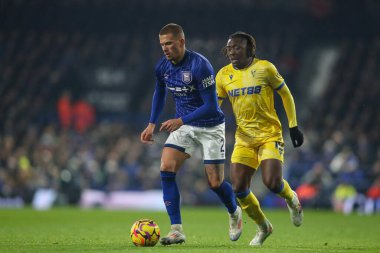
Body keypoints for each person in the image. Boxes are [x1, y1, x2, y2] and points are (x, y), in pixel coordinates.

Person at [140, 23, 242, 246]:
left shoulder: (200, 65)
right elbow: (159, 92)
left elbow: (212, 107)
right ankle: (176, 230)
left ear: (181, 42)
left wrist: (180, 120)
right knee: (166, 167)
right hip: (185, 126)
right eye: (162, 44)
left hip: (210, 126)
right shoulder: (162, 67)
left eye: (168, 43)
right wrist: (151, 123)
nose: (165, 48)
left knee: (215, 183)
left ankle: (234, 212)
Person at [215, 31, 304, 246]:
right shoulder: (223, 75)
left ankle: (292, 198)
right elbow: (214, 107)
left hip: (269, 134)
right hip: (244, 138)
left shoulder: (265, 68)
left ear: (249, 49)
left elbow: (286, 94)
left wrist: (293, 126)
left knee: (272, 183)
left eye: (237, 47)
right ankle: (264, 227)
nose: (232, 51)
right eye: (229, 48)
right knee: (238, 188)